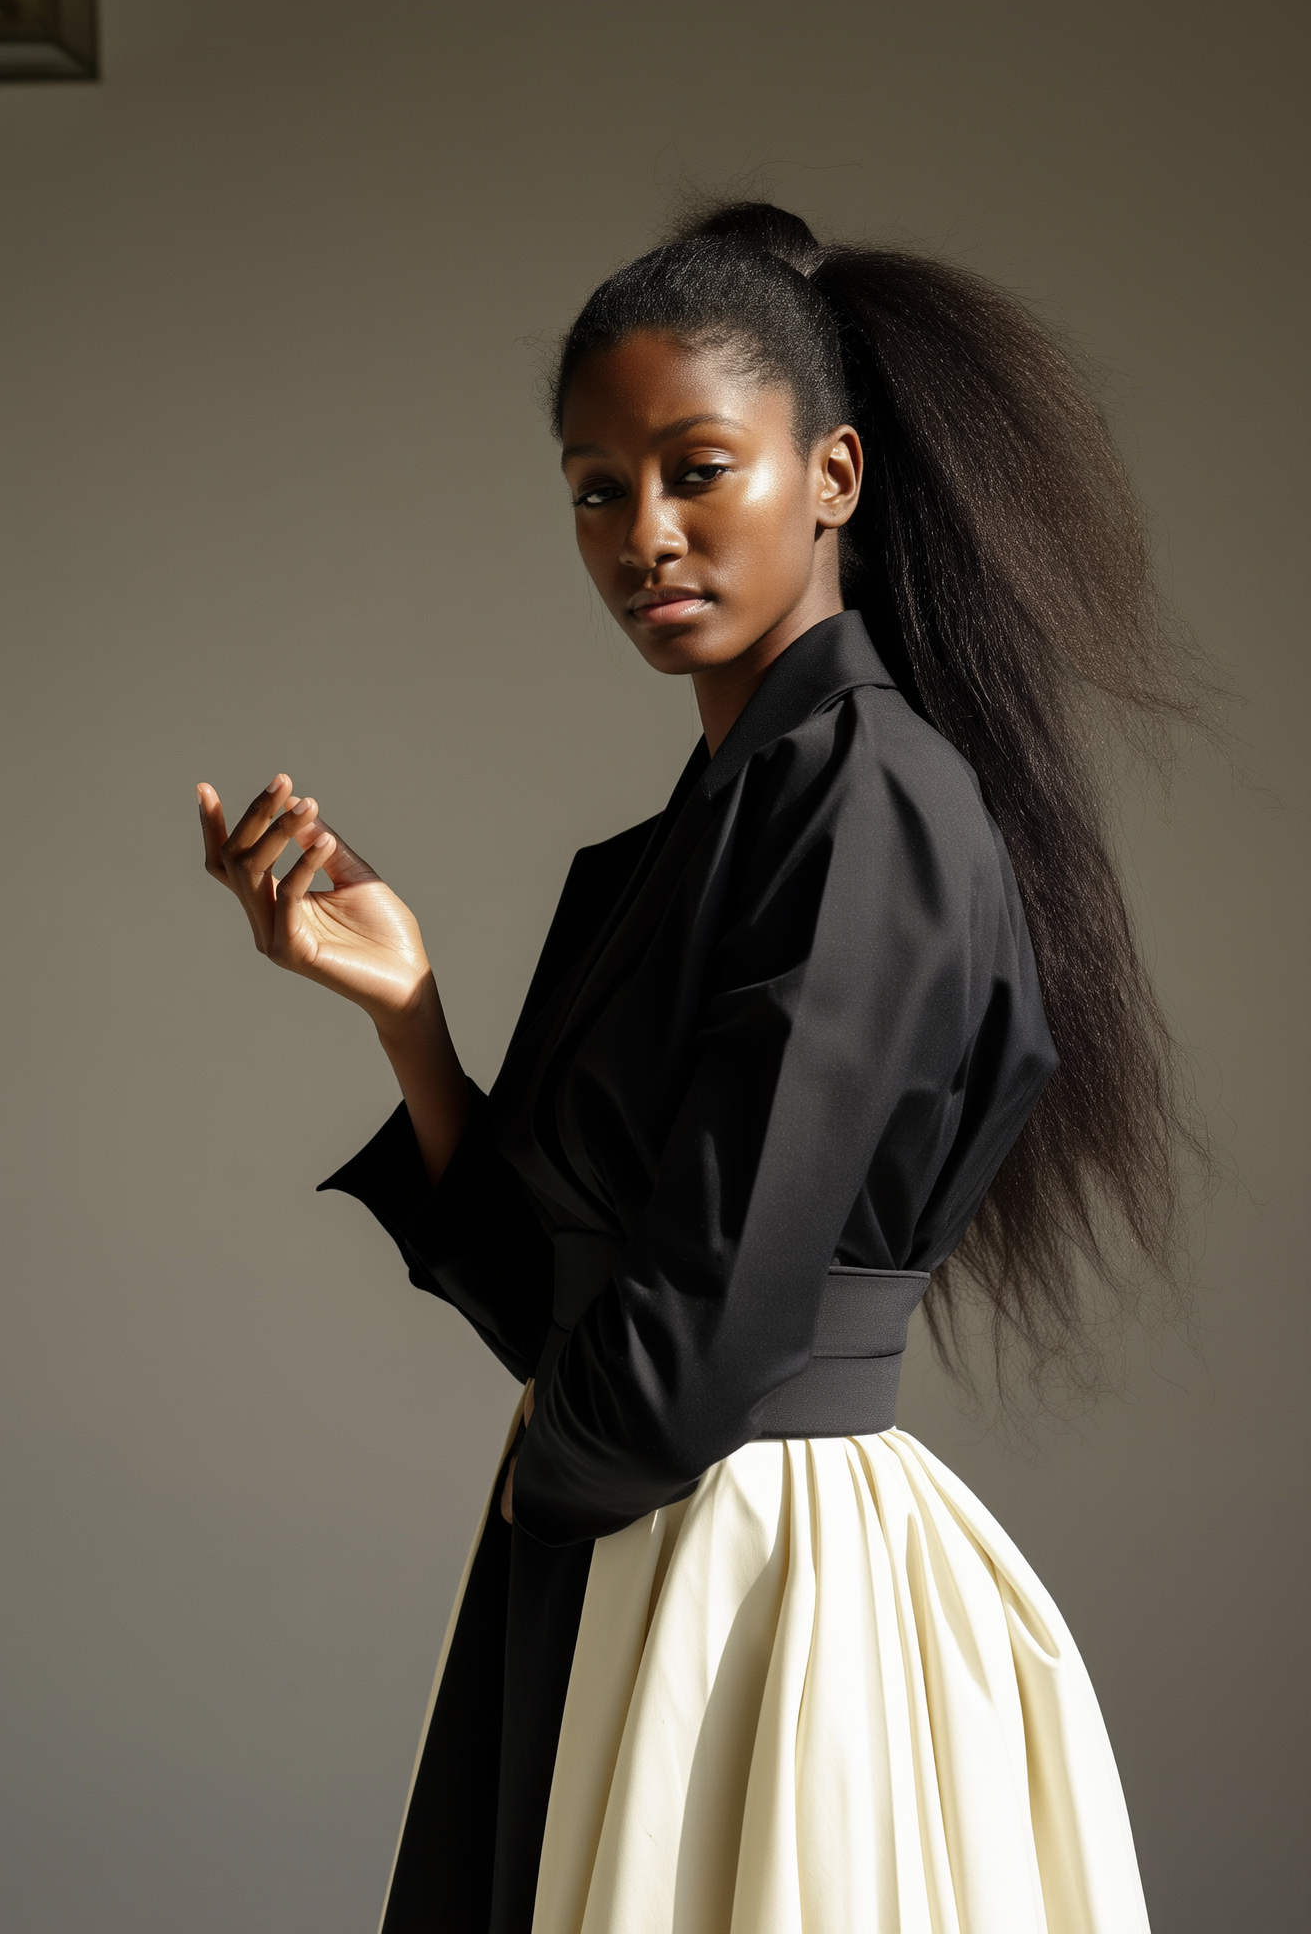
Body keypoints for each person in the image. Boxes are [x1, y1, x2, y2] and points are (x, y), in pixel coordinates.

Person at [197, 202, 1193, 1934]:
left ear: (833, 475)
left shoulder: (870, 803)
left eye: (695, 467)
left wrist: (549, 1496)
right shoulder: (663, 856)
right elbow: (560, 1311)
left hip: (761, 1585)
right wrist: (409, 1014)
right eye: (597, 487)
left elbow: (699, 1331)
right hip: (645, 1537)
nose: (643, 532)